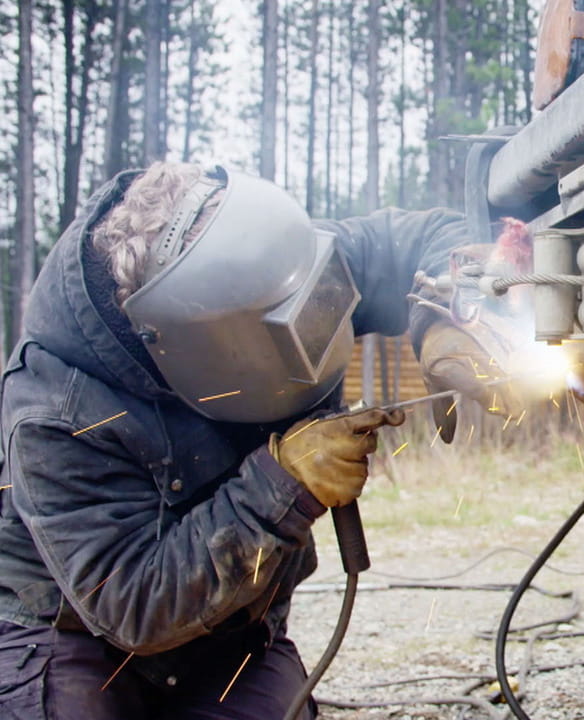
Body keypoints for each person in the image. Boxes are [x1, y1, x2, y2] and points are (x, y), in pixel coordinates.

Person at [0, 162, 470, 719]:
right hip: (73, 631)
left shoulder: (273, 269)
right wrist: (281, 485)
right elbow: (135, 605)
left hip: (229, 628)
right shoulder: (55, 412)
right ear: (196, 342)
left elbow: (428, 236)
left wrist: (445, 318)